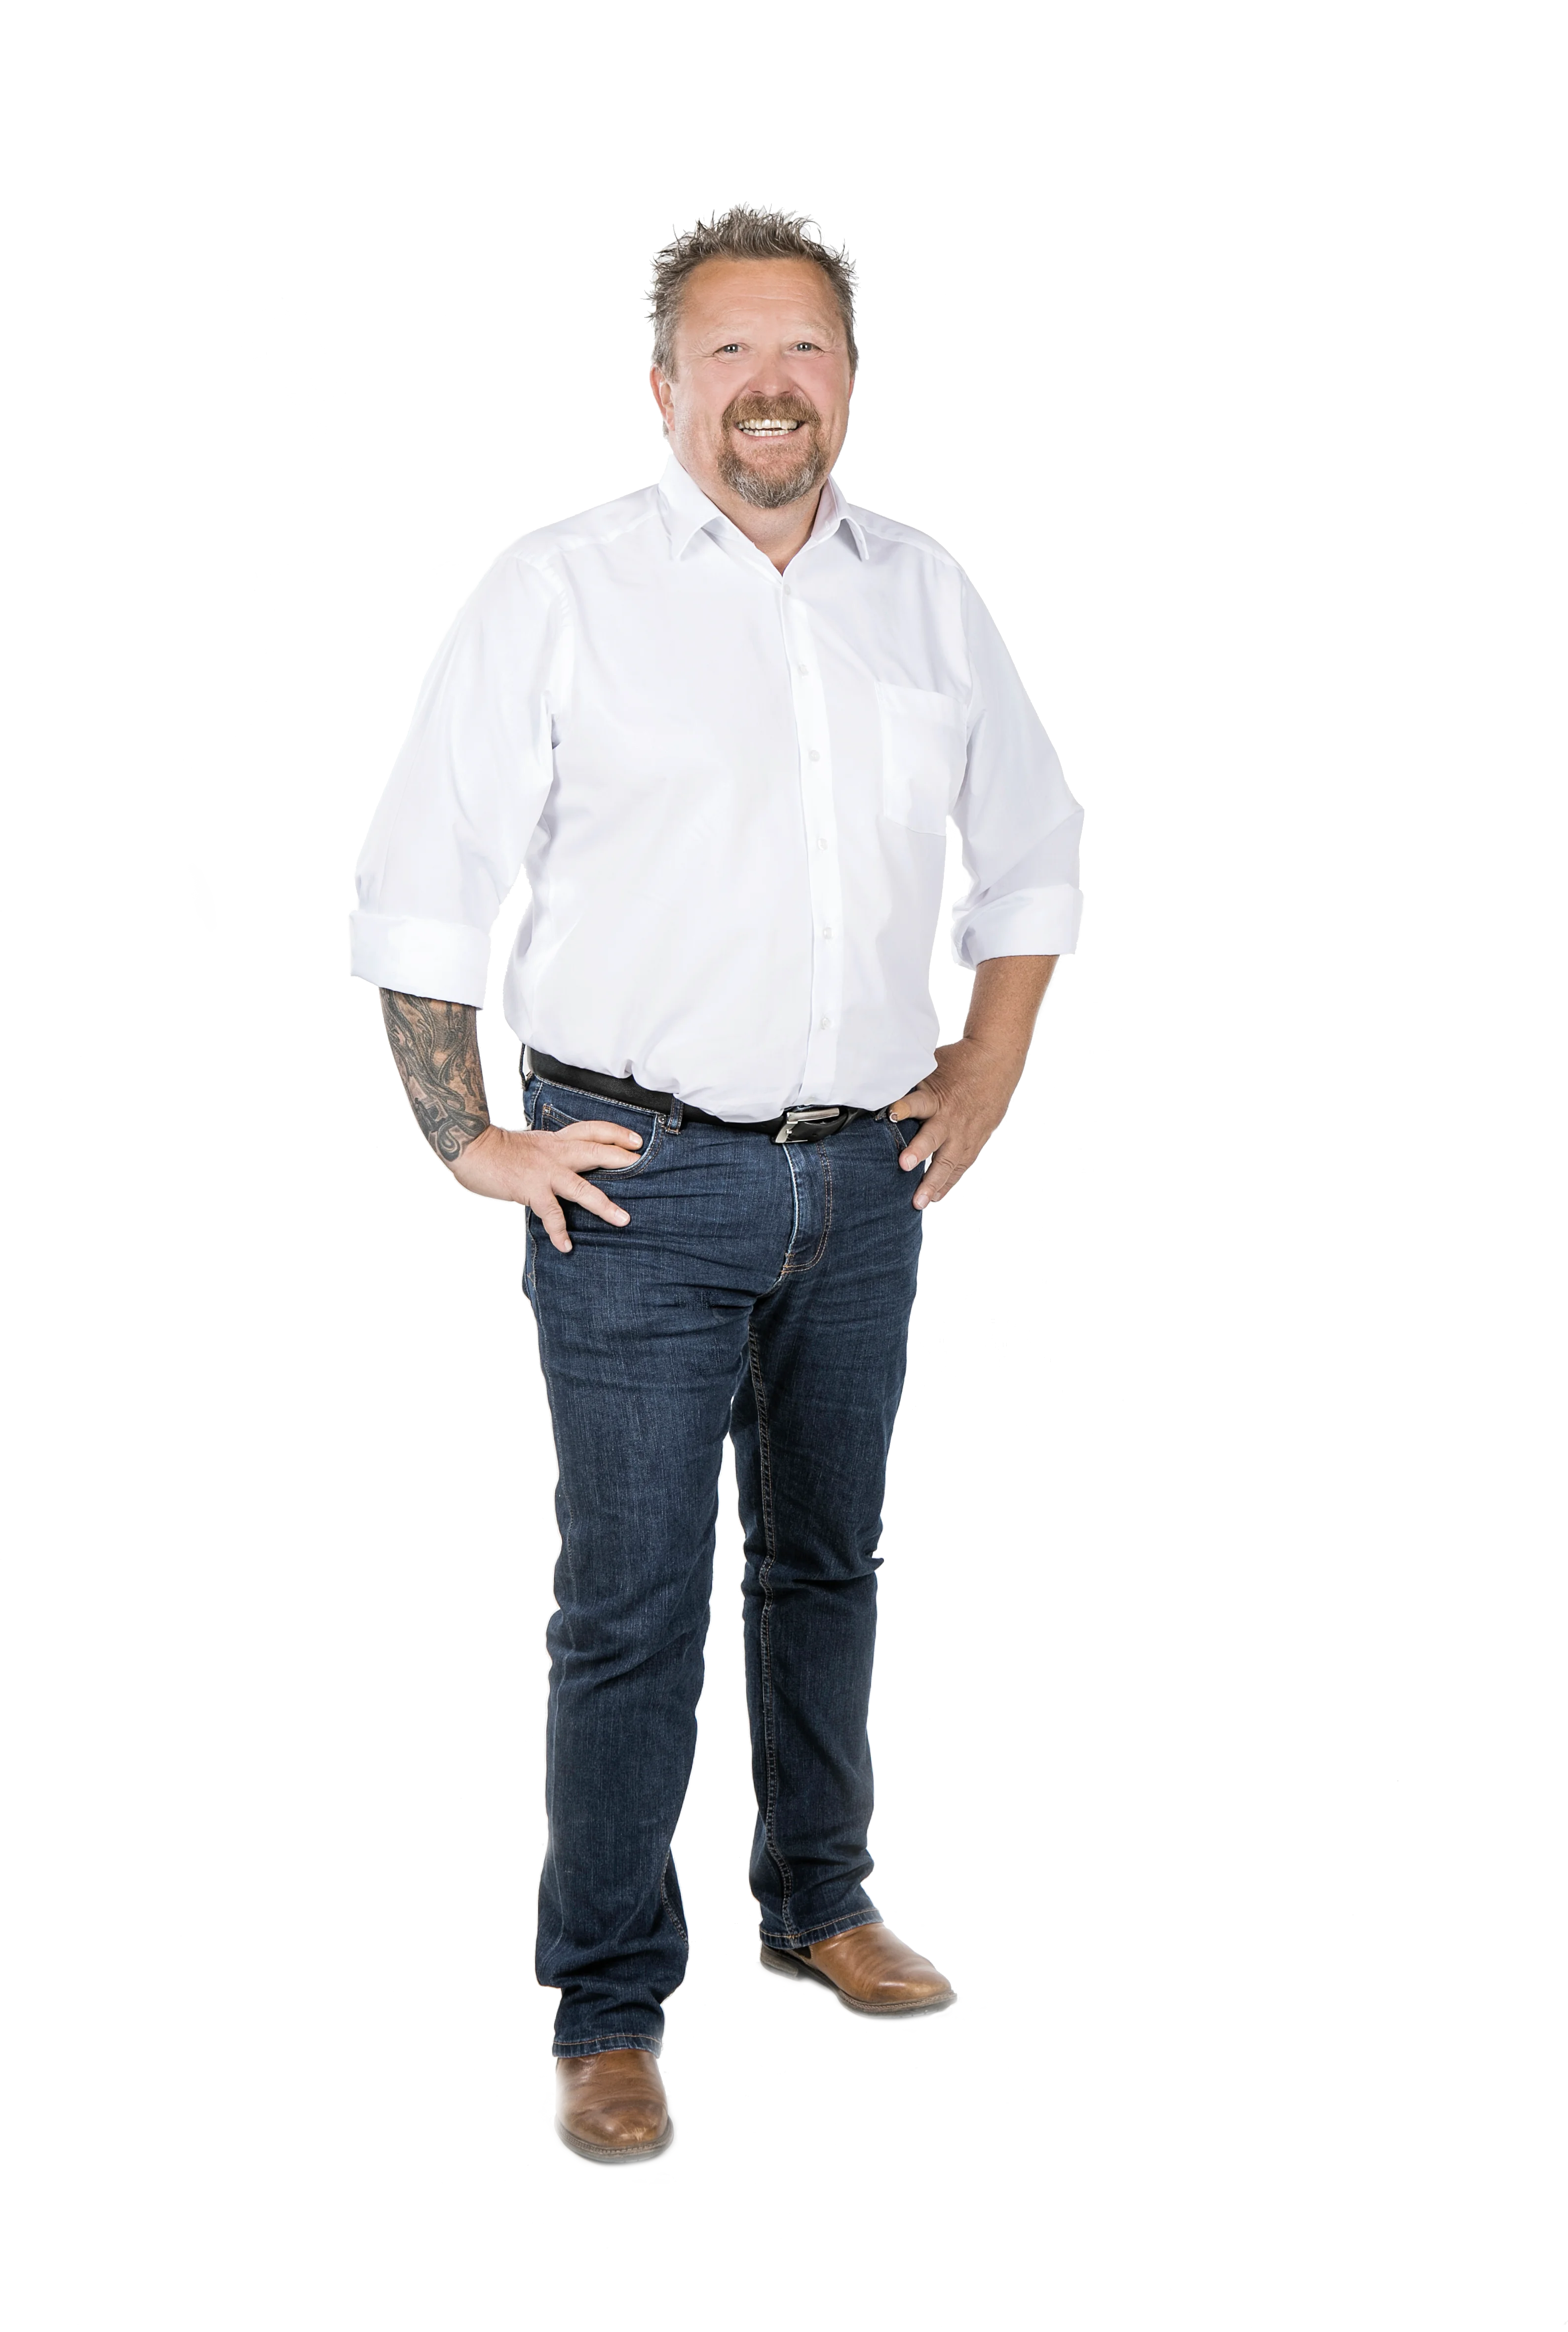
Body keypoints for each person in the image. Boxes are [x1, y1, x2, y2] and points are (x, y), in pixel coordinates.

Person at [351, 205, 1084, 2168]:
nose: (773, 384)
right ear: (666, 385)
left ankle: (817, 1893)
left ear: (848, 381)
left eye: (806, 349)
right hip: (635, 1188)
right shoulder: (562, 593)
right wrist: (468, 1134)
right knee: (632, 1604)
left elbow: (1029, 852)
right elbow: (427, 877)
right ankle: (607, 2006)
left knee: (827, 1561)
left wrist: (985, 1067)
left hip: (861, 1180)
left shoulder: (922, 596)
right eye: (732, 351)